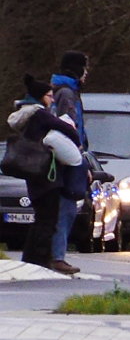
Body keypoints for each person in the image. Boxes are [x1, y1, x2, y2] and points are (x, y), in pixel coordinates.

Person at [7, 74, 81, 270]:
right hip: (46, 175)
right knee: (47, 219)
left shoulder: (26, 115)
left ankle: (31, 259)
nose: (52, 99)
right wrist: (77, 141)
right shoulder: (40, 114)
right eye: (49, 95)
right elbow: (66, 128)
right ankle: (39, 260)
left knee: (41, 217)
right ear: (40, 97)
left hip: (34, 175)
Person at [49, 50, 89, 275]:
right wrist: (78, 156)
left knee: (67, 207)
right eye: (84, 67)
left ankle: (55, 254)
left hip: (68, 156)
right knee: (66, 207)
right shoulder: (67, 94)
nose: (86, 73)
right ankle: (57, 256)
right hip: (67, 158)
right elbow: (69, 125)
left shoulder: (65, 91)